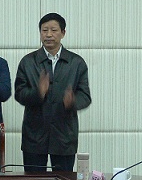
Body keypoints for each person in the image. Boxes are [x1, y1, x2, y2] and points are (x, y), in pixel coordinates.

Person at [14, 13, 91, 172]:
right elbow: (19, 93)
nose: (48, 34)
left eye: (54, 30)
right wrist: (38, 93)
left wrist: (72, 102)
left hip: (64, 135)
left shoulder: (76, 63)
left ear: (63, 33)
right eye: (44, 30)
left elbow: (85, 96)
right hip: (34, 135)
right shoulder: (28, 62)